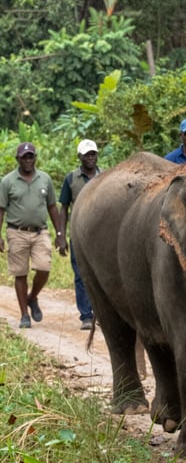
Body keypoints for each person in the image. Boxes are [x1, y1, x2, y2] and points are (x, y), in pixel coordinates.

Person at [0, 142, 67, 328]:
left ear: (35, 158)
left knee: (44, 268)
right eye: (24, 157)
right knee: (20, 273)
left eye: (31, 156)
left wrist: (60, 233)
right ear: (17, 159)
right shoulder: (8, 181)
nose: (28, 160)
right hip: (16, 232)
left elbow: (52, 207)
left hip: (40, 232)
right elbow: (1, 209)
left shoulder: (44, 179)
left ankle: (32, 297)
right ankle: (24, 315)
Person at [59, 139, 101, 329]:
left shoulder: (104, 176)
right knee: (81, 274)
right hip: (78, 234)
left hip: (100, 235)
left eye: (93, 154)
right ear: (80, 157)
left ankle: (100, 313)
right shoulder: (71, 179)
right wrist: (60, 235)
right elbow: (64, 207)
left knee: (101, 274)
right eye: (86, 155)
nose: (90, 158)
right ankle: (86, 314)